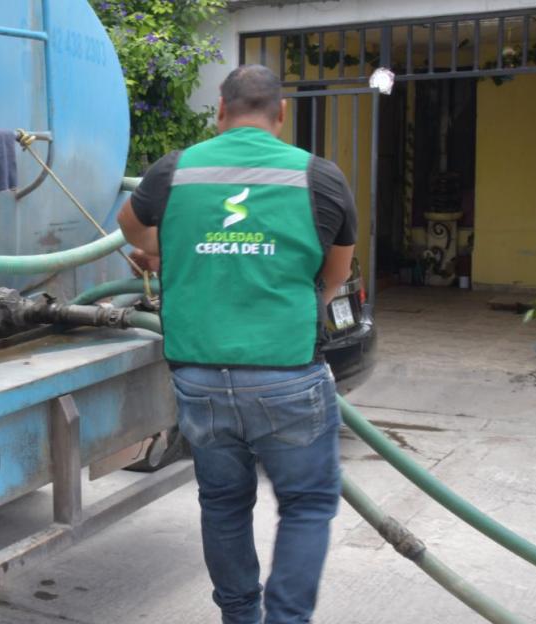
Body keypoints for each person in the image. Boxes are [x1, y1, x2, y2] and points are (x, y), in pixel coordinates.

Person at [116, 64, 357, 624]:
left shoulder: (175, 170)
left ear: (220, 111)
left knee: (223, 503)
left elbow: (131, 227)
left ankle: (239, 616)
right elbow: (334, 277)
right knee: (307, 504)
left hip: (198, 377)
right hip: (288, 375)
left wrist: (173, 251)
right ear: (281, 114)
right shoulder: (319, 177)